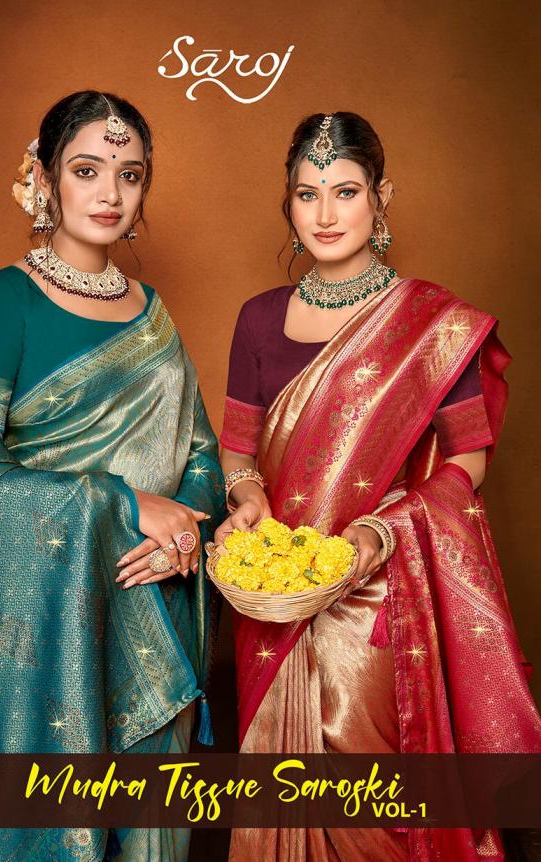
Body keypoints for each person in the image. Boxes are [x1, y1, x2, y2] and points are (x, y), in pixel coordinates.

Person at [216, 112, 541, 861]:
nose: (325, 214)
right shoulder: (258, 320)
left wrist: (381, 532)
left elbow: (468, 458)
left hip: (380, 592)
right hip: (273, 592)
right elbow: (238, 449)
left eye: (346, 191)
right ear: (289, 203)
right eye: (307, 194)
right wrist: (248, 498)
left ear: (380, 196)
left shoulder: (432, 324)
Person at [0, 90, 223, 862]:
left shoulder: (153, 314)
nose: (109, 194)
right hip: (50, 618)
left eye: (129, 175)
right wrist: (123, 505)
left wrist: (179, 533)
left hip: (154, 604)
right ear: (44, 179)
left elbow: (201, 454)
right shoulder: (1, 303)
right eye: (87, 170)